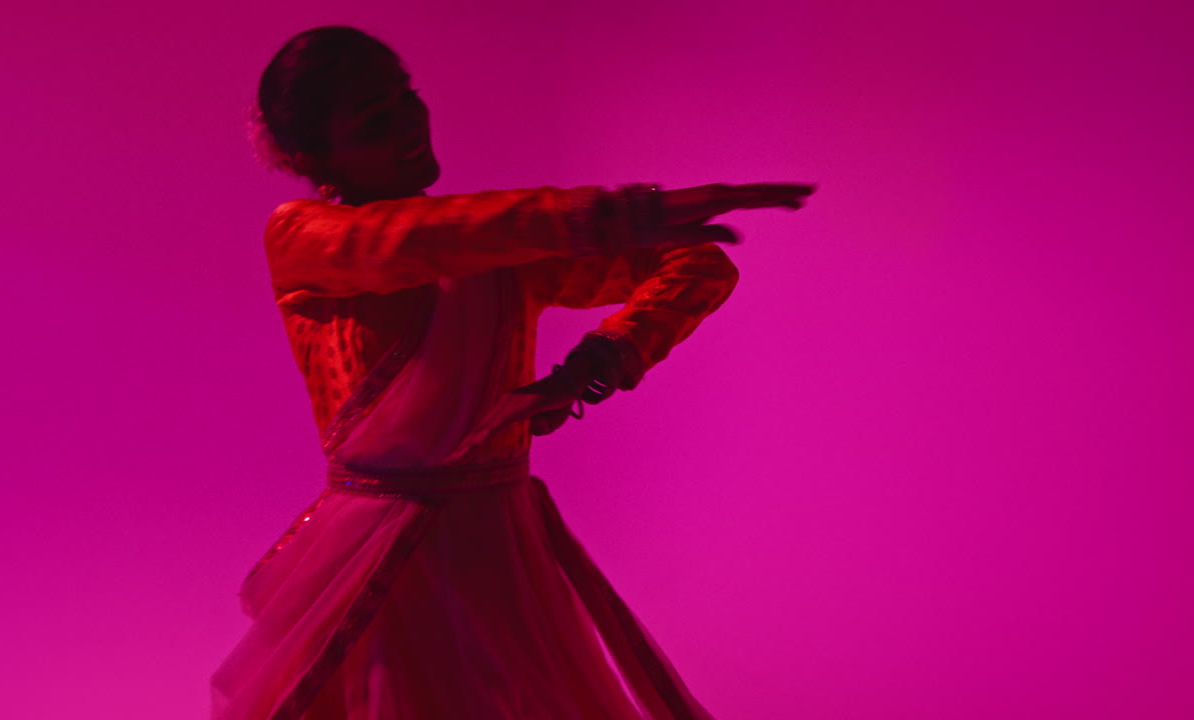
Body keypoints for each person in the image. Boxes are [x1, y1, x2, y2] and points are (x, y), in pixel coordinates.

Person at [211, 25, 816, 720]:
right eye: (377, 122)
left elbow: (698, 262)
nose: (409, 122)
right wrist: (621, 212)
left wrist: (598, 361)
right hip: (379, 557)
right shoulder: (307, 240)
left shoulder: (499, 246)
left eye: (407, 97)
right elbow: (415, 240)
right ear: (314, 156)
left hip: (500, 543)